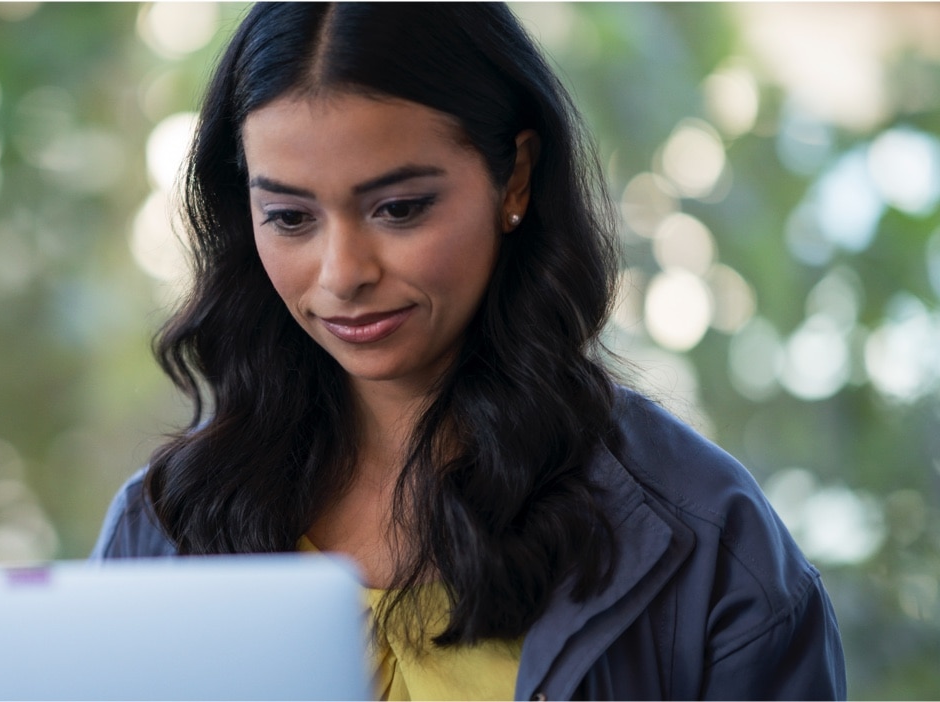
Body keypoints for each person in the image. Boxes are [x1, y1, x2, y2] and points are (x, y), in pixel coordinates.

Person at [92, 3, 846, 699]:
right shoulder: (161, 528)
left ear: (514, 177)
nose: (342, 274)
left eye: (398, 208)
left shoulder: (711, 548)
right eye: (290, 217)